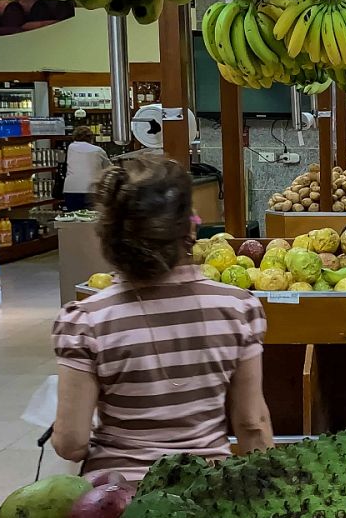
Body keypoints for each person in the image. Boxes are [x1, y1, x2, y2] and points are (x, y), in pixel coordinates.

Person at [51, 155, 273, 480]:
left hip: (115, 504)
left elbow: (71, 443)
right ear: (190, 228)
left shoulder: (85, 321)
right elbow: (252, 425)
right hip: (205, 496)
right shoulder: (239, 308)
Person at [62, 126, 110, 211]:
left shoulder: (71, 147)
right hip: (92, 190)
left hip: (71, 189)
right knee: (92, 218)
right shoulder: (98, 150)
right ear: (91, 137)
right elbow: (109, 168)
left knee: (74, 217)